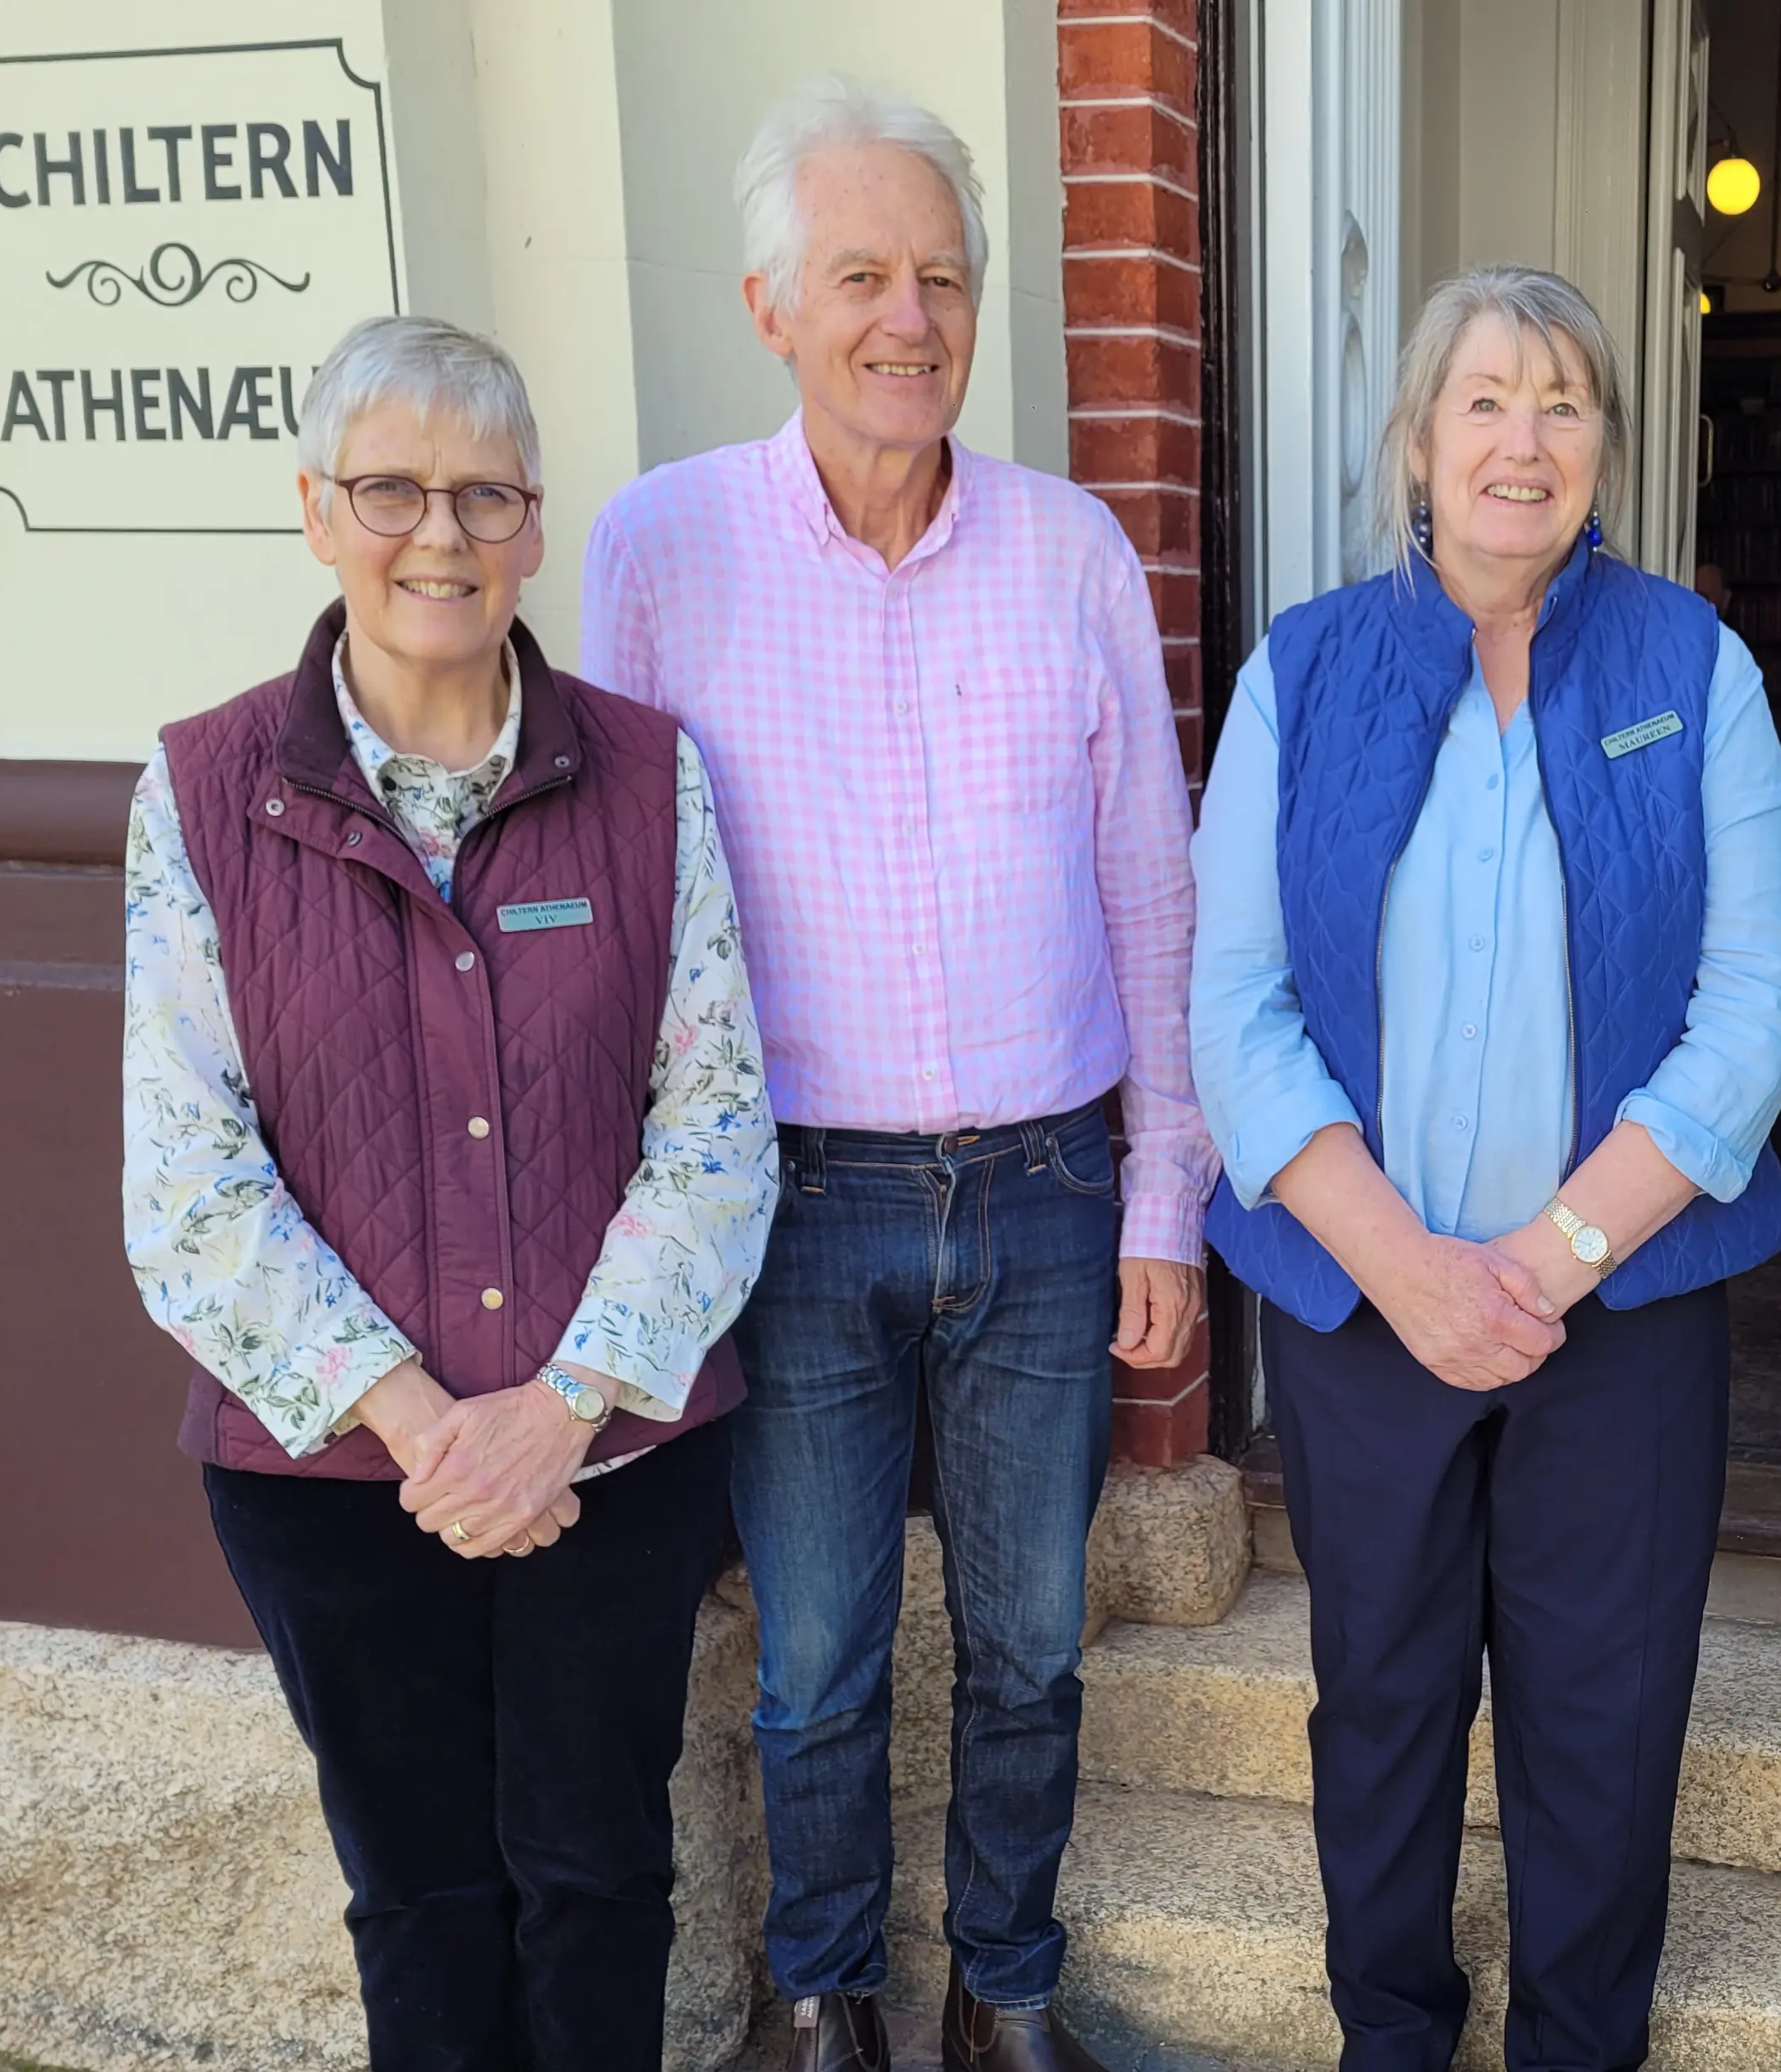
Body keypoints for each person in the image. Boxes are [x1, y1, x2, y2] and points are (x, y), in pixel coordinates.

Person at [582, 76, 1217, 2072]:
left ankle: (1001, 1992)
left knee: (1032, 1645)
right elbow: (625, 906)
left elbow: (1153, 886)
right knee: (816, 1658)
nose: (909, 318)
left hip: (1042, 1188)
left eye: (942, 277)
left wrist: (1163, 1199)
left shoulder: (1070, 548)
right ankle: (821, 1996)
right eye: (860, 274)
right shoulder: (660, 547)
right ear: (771, 305)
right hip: (793, 1196)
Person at [121, 313, 778, 2072]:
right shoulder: (202, 789)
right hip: (334, 1481)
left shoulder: (648, 777)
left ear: (535, 525)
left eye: (487, 495)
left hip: (611, 1466)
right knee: (418, 1897)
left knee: (598, 1877)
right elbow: (189, 1180)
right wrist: (431, 1431)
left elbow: (717, 1126)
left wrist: (557, 1417)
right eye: (393, 490)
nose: (442, 535)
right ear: (316, 512)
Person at [1192, 265, 1781, 2072]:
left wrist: (1544, 1261)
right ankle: (1389, 2034)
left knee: (1603, 1722)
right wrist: (1407, 1270)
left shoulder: (1693, 666)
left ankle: (1577, 2046)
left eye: (1562, 401)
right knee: (1381, 1705)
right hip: (1362, 1305)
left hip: (1617, 1312)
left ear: (1607, 443)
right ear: (1417, 440)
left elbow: (1757, 1003)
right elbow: (1235, 1004)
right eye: (1483, 400)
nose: (1521, 440)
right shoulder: (1304, 670)